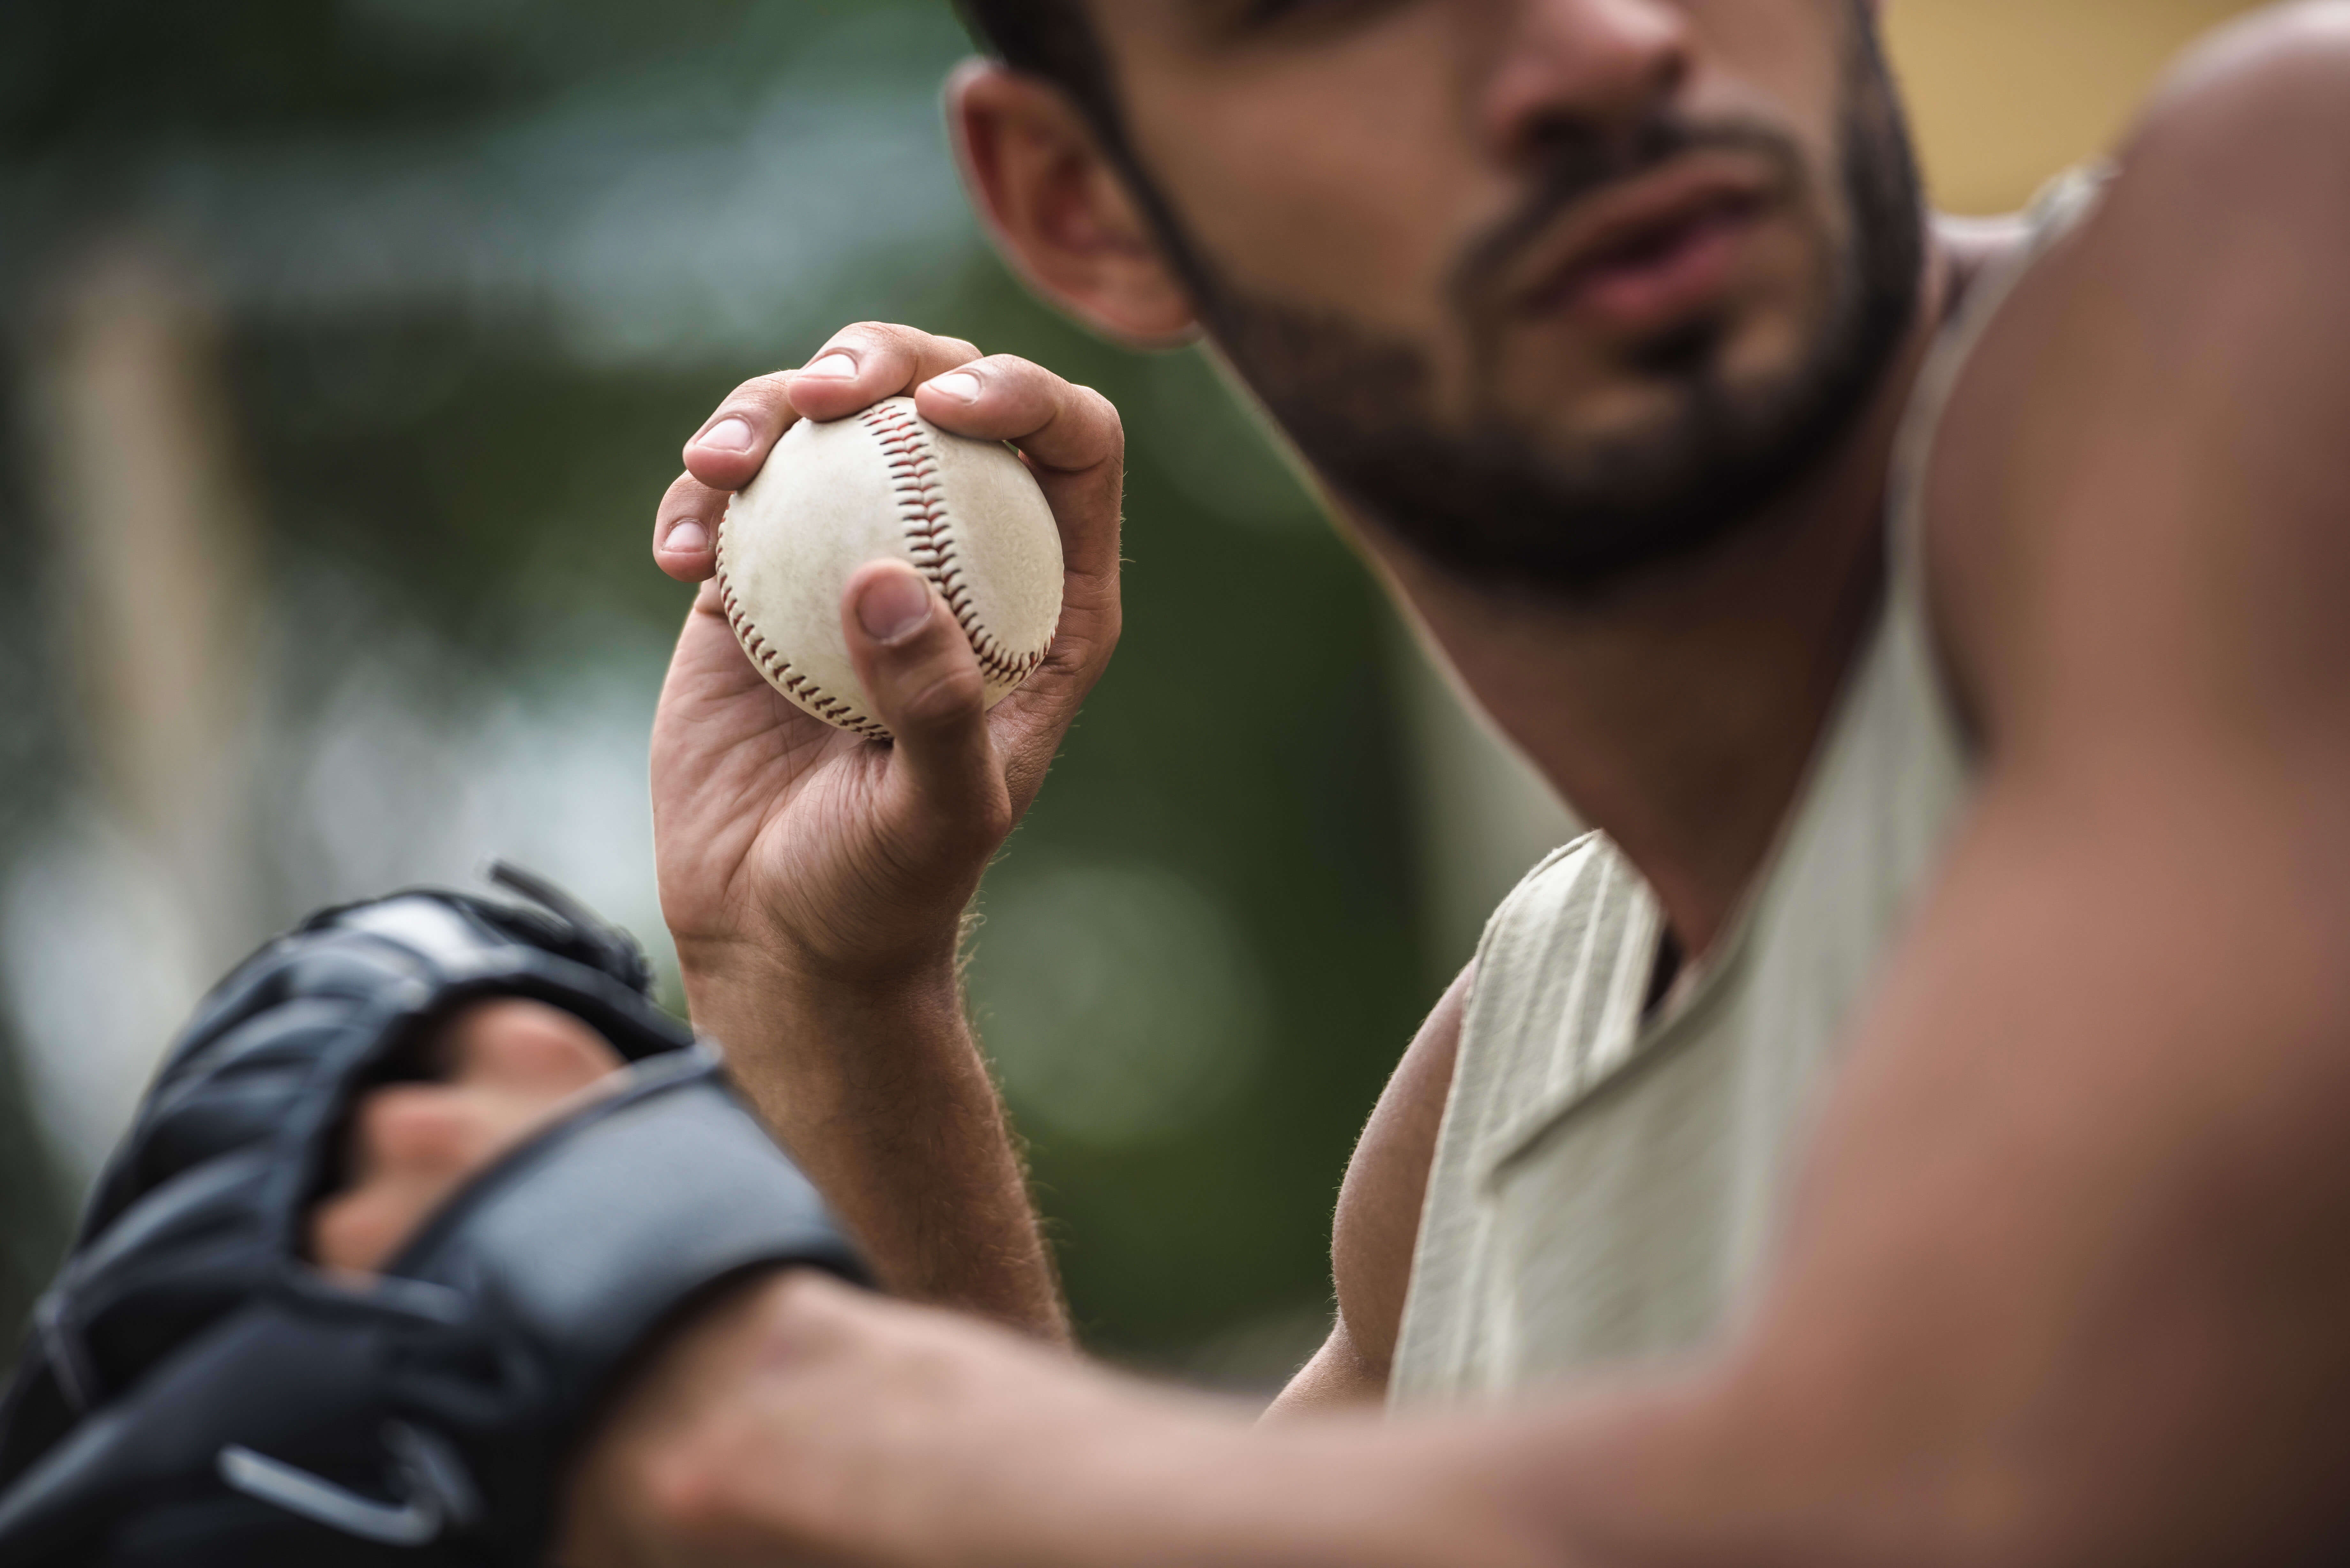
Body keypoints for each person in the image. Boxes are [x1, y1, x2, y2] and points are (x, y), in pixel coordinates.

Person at [315, 0, 2350, 1560]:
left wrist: (739, 1387)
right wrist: (822, 989)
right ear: (1084, 204)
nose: (1597, 47)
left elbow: (1992, 1500)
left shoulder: (2297, 223)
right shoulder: (1489, 1116)